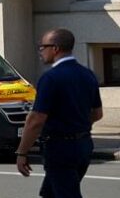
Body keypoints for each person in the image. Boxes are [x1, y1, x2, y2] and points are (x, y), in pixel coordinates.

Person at [15, 28, 104, 198]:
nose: (40, 51)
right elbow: (97, 113)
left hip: (59, 147)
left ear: (55, 48)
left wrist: (22, 152)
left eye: (42, 47)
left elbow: (36, 120)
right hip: (84, 145)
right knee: (51, 193)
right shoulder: (88, 75)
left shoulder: (50, 78)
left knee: (66, 193)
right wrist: (78, 126)